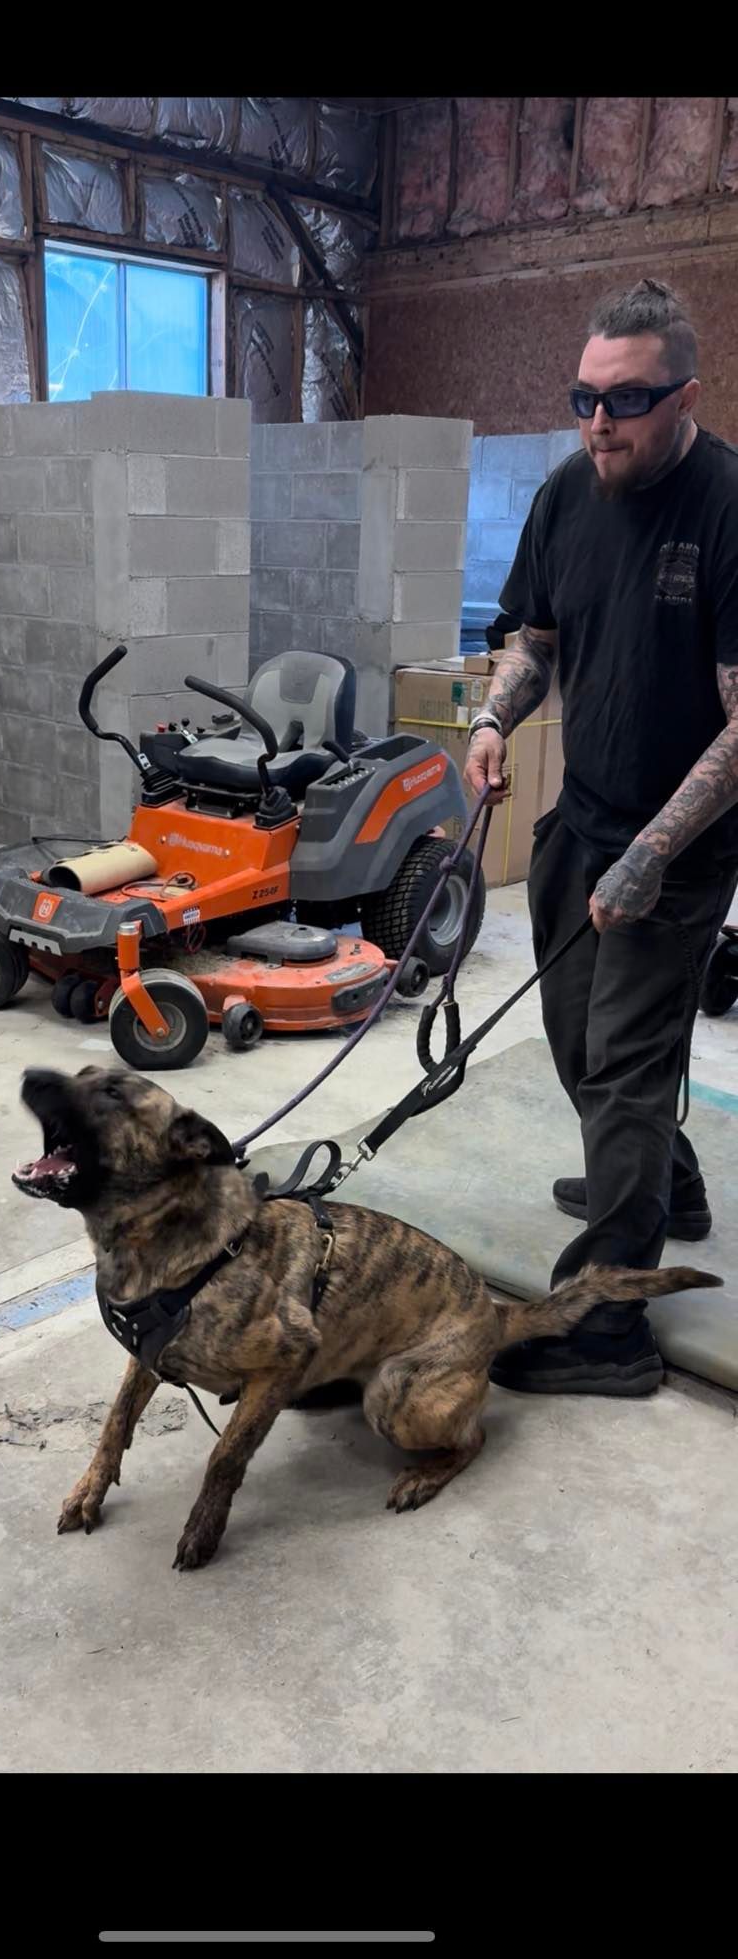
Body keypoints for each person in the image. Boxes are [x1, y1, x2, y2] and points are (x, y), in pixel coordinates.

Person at [465, 277, 738, 1396]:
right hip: (579, 819)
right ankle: (664, 1186)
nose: (598, 419)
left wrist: (653, 853)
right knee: (578, 1045)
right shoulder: (565, 496)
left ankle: (608, 1326)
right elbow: (534, 641)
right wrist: (491, 716)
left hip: (678, 843)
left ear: (683, 393)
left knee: (623, 1068)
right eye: (584, 395)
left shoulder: (724, 508)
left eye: (624, 400)